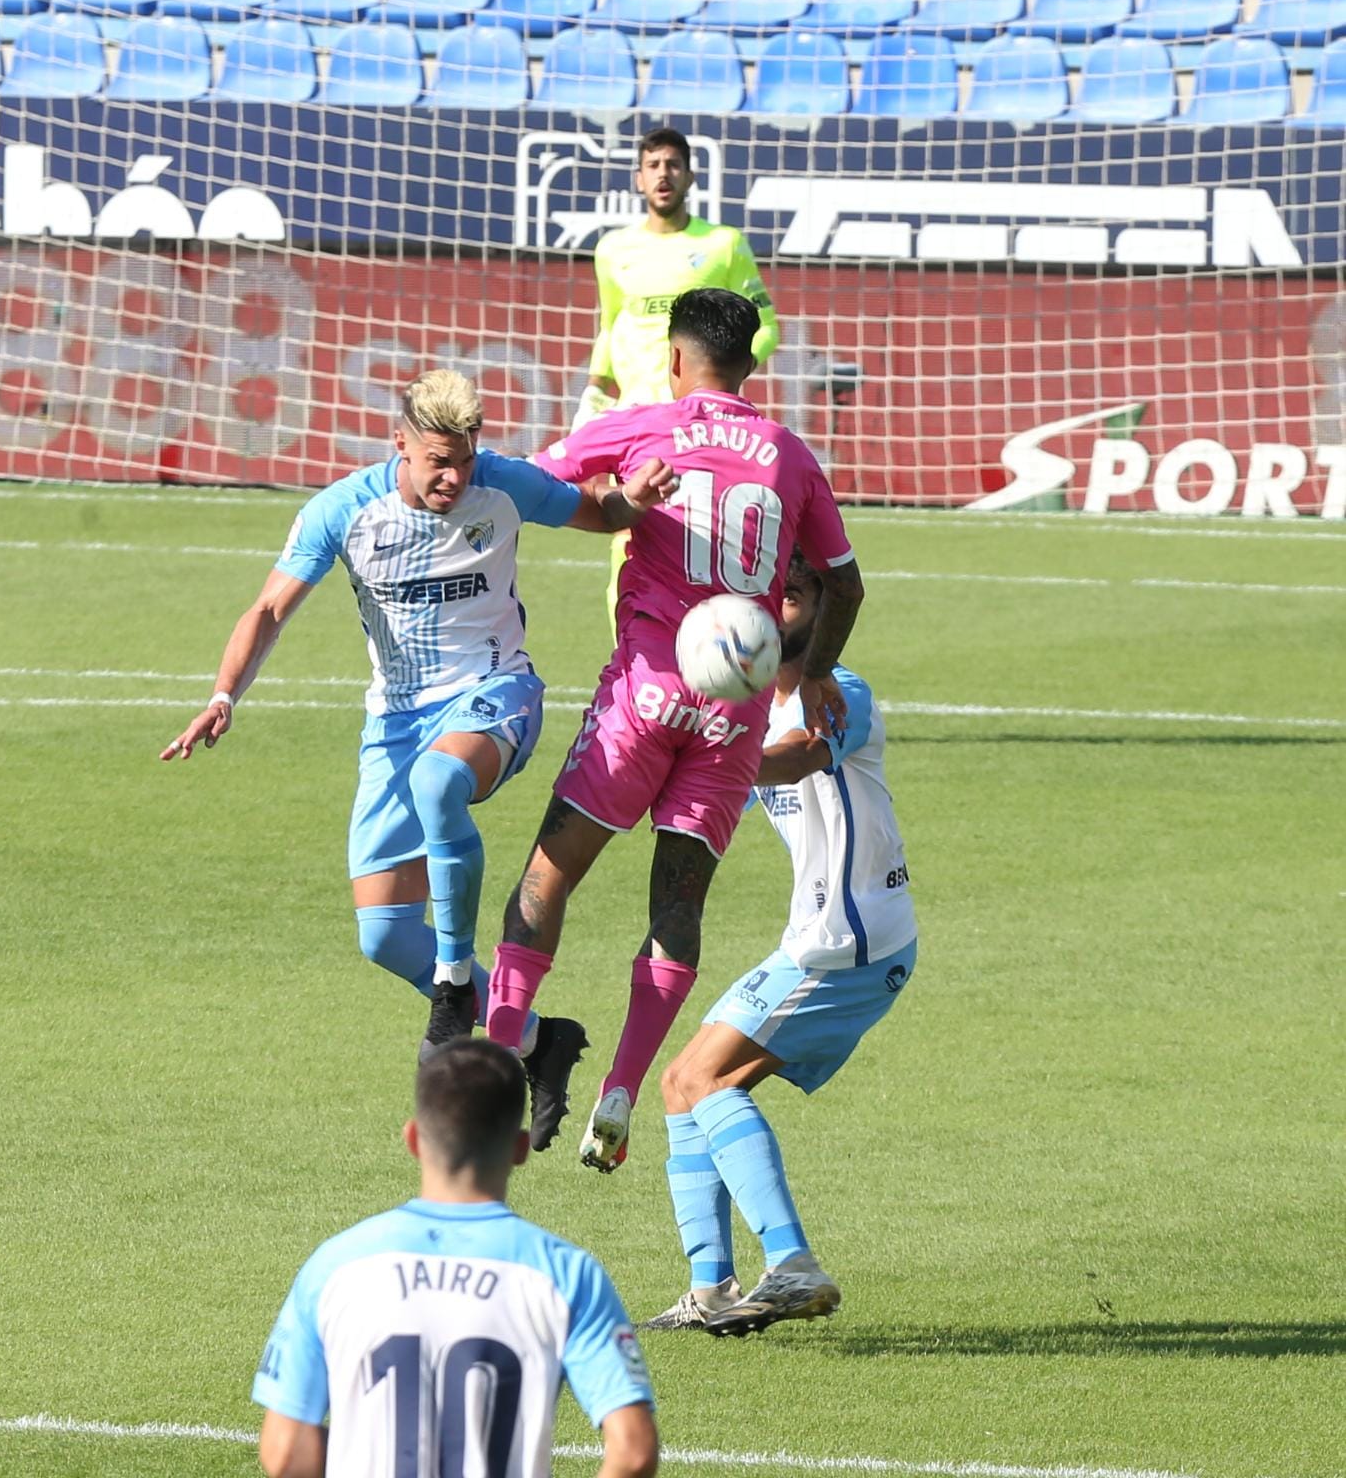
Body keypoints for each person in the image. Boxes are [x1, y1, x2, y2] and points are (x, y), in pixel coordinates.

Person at [161, 368, 676, 1148]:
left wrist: (631, 500)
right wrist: (225, 694)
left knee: (441, 783)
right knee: (382, 935)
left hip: (496, 693)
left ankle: (454, 981)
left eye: (464, 459)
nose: (453, 476)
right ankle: (542, 1039)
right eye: (438, 459)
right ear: (398, 442)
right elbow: (268, 608)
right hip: (395, 721)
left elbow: (596, 512)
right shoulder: (344, 510)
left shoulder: (503, 486)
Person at [466, 288, 864, 1176]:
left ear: (677, 358)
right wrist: (821, 670)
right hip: (734, 715)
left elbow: (535, 482)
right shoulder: (792, 457)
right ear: (751, 367)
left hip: (644, 696)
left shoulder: (645, 423)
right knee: (677, 907)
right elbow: (845, 583)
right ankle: (621, 1087)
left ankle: (497, 1062)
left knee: (548, 873)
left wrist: (613, 496)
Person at [644, 551, 918, 1337]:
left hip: (848, 945)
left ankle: (793, 1263)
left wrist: (710, 767)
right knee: (682, 1086)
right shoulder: (748, 710)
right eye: (775, 596)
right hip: (824, 937)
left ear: (825, 613)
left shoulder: (844, 694)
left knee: (701, 1078)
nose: (780, 610)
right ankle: (711, 1290)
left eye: (796, 596)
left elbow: (802, 758)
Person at [253, 1039, 659, 1478]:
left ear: (413, 1139)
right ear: (520, 1149)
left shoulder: (336, 1266)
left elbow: (285, 1452)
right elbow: (633, 1452)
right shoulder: (567, 1275)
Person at [577, 125, 782, 627]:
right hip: (636, 419)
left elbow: (767, 326)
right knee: (627, 532)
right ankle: (632, 649)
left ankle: (720, 648)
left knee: (707, 535)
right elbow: (611, 326)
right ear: (638, 179)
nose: (663, 174)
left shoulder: (723, 245)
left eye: (672, 164)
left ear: (689, 175)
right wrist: (594, 390)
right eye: (653, 165)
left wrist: (726, 378)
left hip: (701, 421)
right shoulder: (613, 250)